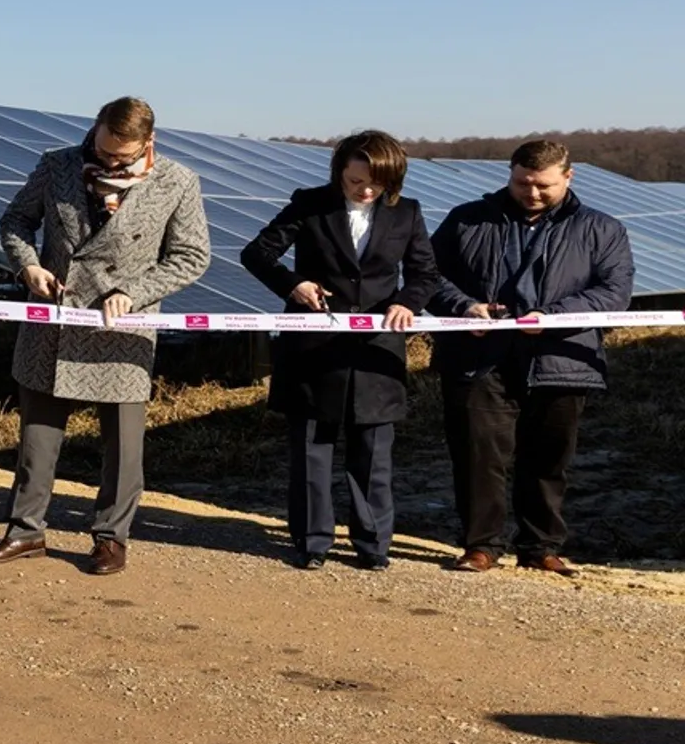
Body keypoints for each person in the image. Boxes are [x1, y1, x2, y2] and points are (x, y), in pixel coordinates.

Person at [0, 97, 209, 576]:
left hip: (122, 332)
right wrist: (29, 265)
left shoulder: (177, 181)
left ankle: (110, 538)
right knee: (37, 440)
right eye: (101, 150)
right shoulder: (57, 165)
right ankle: (25, 531)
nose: (107, 161)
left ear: (149, 144)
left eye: (121, 157)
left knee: (123, 448)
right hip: (53, 326)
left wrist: (133, 292)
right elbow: (15, 221)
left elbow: (192, 256)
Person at [428, 139, 634, 577]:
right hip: (479, 355)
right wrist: (464, 307)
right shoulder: (466, 220)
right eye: (522, 182)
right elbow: (428, 276)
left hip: (561, 355)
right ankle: (480, 545)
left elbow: (614, 292)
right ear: (510, 173)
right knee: (479, 453)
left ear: (568, 176)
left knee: (549, 456)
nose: (532, 193)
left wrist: (554, 317)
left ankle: (540, 546)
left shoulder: (601, 229)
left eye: (543, 185)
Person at [240, 131, 440, 571]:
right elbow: (256, 254)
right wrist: (294, 284)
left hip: (377, 354)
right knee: (312, 452)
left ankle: (373, 547)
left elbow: (426, 274)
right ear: (339, 173)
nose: (366, 190)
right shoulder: (309, 203)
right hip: (313, 350)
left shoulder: (408, 213)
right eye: (356, 182)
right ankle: (312, 543)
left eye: (377, 184)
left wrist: (407, 302)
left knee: (373, 458)